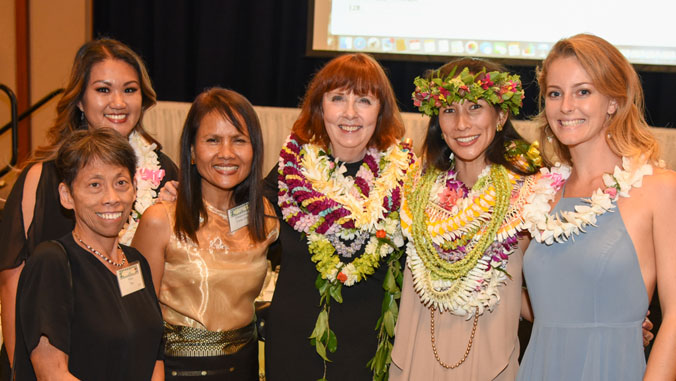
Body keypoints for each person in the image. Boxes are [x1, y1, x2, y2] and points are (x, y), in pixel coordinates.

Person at [0, 38, 178, 373]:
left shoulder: (164, 173)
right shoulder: (44, 177)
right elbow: (13, 285)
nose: (118, 102)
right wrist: (16, 370)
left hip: (128, 347)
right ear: (80, 99)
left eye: (129, 89)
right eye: (103, 89)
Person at [518, 34, 676, 380]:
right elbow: (534, 297)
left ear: (613, 101)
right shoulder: (538, 196)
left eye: (583, 91)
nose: (566, 106)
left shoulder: (659, 188)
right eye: (555, 93)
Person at [263, 53, 414, 380]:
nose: (349, 113)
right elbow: (239, 211)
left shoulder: (404, 177)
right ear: (320, 107)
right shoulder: (291, 171)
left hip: (370, 352)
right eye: (337, 98)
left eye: (363, 100)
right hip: (294, 346)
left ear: (381, 110)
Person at [390, 58, 543, 380]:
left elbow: (548, 286)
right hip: (414, 356)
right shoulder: (413, 184)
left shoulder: (531, 192)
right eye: (448, 110)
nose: (461, 124)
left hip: (490, 362)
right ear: (437, 121)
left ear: (501, 115)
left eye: (475, 107)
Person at [132, 88, 279, 380]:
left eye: (239, 140)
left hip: (245, 368)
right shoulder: (161, 220)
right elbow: (135, 315)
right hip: (176, 371)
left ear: (254, 150)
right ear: (191, 151)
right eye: (213, 140)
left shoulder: (265, 218)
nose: (226, 153)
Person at [12, 128, 164, 380]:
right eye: (95, 185)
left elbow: (155, 354)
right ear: (67, 196)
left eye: (121, 183)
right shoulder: (52, 262)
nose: (112, 198)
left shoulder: (136, 262)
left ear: (135, 189)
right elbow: (52, 374)